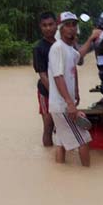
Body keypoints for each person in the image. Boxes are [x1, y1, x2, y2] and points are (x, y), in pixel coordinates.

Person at [48, 12, 101, 167]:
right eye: (68, 25)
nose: (71, 28)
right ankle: (87, 175)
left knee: (61, 142)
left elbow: (78, 57)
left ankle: (61, 175)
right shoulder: (57, 48)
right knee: (83, 139)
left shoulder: (69, 49)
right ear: (61, 29)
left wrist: (91, 39)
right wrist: (70, 104)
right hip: (62, 105)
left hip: (64, 104)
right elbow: (58, 77)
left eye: (74, 24)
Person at [33, 12, 58, 147]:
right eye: (44, 25)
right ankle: (48, 152)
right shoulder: (39, 48)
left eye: (50, 24)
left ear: (56, 25)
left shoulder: (62, 43)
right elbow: (43, 75)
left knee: (63, 127)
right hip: (46, 92)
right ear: (40, 27)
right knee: (48, 126)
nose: (48, 28)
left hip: (62, 92)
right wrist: (55, 94)